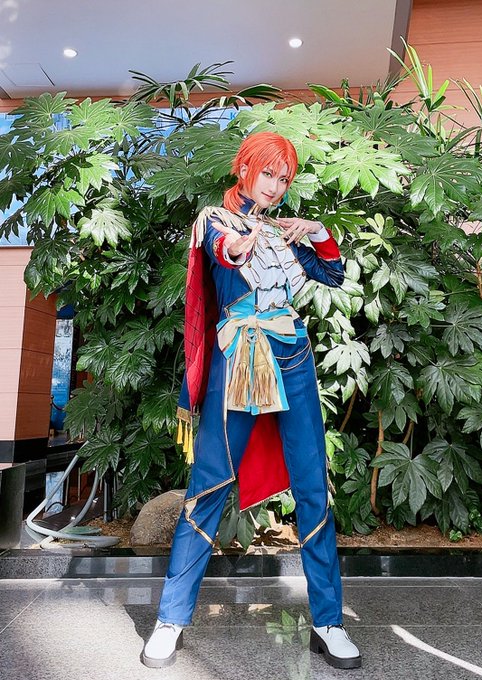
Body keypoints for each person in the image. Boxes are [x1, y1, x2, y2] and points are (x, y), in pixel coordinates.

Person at [142, 131, 361, 670]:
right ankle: (170, 619)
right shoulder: (213, 221)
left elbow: (333, 274)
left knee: (312, 486)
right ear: (245, 167)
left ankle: (328, 622)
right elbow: (223, 250)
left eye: (284, 178)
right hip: (236, 357)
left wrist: (317, 231)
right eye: (268, 173)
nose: (276, 186)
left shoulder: (286, 232)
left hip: (293, 357)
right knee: (208, 484)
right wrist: (240, 244)